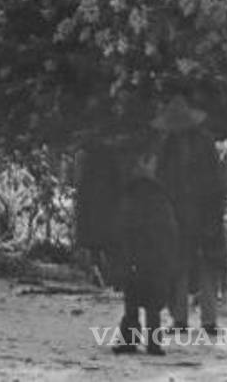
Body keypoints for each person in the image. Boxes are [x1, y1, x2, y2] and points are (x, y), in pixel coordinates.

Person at [154, 95, 226, 335]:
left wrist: (213, 213)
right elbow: (162, 180)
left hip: (204, 211)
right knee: (178, 267)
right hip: (177, 214)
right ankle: (180, 319)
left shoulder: (203, 142)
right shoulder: (168, 145)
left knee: (207, 266)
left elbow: (213, 180)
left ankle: (209, 320)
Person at [109, 138, 180, 356]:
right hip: (155, 254)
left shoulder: (131, 193)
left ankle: (129, 340)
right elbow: (169, 228)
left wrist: (122, 252)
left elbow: (122, 225)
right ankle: (153, 343)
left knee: (132, 301)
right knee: (152, 304)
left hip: (135, 253)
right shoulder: (159, 195)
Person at [73, 137, 125, 284]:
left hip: (95, 204)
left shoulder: (85, 155)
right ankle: (106, 274)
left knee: (96, 241)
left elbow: (78, 181)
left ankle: (101, 273)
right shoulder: (110, 155)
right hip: (105, 204)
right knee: (106, 242)